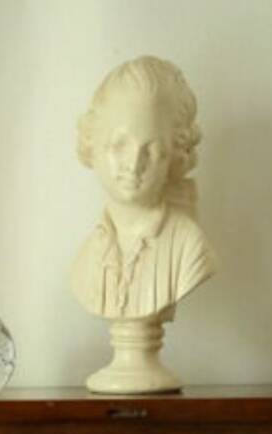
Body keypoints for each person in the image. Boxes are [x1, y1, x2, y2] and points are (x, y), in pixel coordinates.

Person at [71, 56, 218, 323]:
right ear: (91, 143)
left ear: (173, 155)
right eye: (119, 145)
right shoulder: (87, 257)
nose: (133, 164)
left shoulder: (189, 248)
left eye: (151, 149)